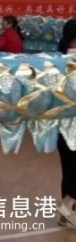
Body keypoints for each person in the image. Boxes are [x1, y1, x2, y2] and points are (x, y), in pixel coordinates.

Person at [55, 18, 76, 228]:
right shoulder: (71, 62)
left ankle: (67, 213)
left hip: (63, 126)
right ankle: (68, 205)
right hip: (72, 126)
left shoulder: (58, 60)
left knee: (69, 170)